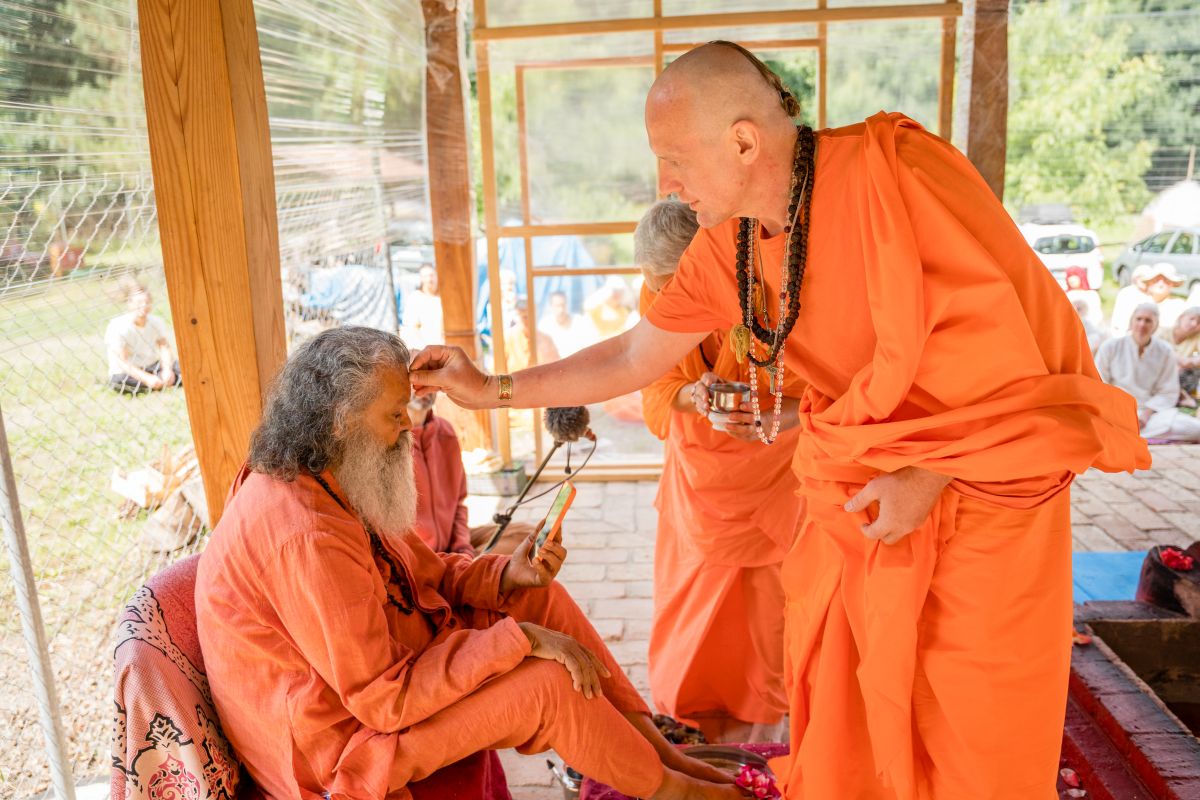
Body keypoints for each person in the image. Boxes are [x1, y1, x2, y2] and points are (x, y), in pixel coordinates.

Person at [411, 42, 1148, 799]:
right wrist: (489, 386)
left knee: (970, 735)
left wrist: (930, 471)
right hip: (867, 501)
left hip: (986, 494)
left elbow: (1031, 365)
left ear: (742, 140)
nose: (665, 183)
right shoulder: (727, 246)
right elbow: (635, 353)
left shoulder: (898, 177)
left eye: (673, 158)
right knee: (856, 706)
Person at [195, 327, 739, 800]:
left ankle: (661, 755)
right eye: (393, 415)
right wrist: (516, 642)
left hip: (388, 673)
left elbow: (425, 575)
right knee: (545, 684)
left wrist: (506, 575)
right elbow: (383, 699)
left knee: (535, 596)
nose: (409, 427)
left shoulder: (332, 472)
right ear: (339, 420)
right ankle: (675, 791)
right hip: (342, 749)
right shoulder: (305, 534)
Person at [636, 200, 804, 743]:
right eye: (654, 284)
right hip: (697, 485)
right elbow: (653, 385)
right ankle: (686, 716)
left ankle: (764, 731)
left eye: (669, 283)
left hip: (773, 474)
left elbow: (822, 390)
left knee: (763, 617)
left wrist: (771, 412)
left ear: (706, 266)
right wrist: (692, 394)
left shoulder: (772, 293)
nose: (661, 297)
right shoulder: (656, 294)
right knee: (687, 608)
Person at [408, 391, 534, 556]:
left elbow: (459, 503)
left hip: (452, 547)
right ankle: (469, 571)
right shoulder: (390, 441)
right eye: (414, 376)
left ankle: (466, 569)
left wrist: (462, 548)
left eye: (429, 373)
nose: (422, 388)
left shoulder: (445, 431)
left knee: (529, 537)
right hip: (418, 559)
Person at [1095, 304, 1200, 442]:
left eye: (1148, 320)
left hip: (1150, 414)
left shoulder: (1165, 351)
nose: (1142, 324)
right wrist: (1119, 412)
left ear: (1156, 325)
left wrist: (1145, 415)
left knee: (1195, 429)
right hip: (1114, 410)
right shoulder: (1110, 347)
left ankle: (1124, 435)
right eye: (1139, 319)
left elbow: (1168, 392)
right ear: (1131, 321)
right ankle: (1126, 434)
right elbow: (1098, 384)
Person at [105, 279, 181, 394]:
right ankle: (155, 384)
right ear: (129, 303)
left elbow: (164, 347)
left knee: (182, 367)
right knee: (119, 382)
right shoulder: (118, 326)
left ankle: (160, 382)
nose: (143, 306)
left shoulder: (156, 322)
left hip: (151, 366)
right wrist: (146, 378)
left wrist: (167, 370)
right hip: (128, 372)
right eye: (138, 303)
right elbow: (122, 362)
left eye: (147, 302)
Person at [1110, 261, 1187, 336]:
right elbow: (1119, 328)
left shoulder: (1178, 306)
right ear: (1149, 282)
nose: (1160, 284)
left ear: (1172, 284)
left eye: (1166, 281)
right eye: (1156, 280)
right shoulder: (1133, 299)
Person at [401, 262, 444, 348]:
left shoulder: (443, 298)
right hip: (422, 349)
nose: (429, 279)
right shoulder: (415, 298)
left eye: (432, 275)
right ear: (421, 279)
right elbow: (410, 328)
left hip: (442, 348)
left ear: (436, 276)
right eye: (425, 276)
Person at [541, 290, 593, 356]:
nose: (561, 309)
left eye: (563, 305)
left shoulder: (579, 321)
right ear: (551, 306)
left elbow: (589, 347)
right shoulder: (544, 326)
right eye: (557, 306)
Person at [1172, 306, 1200, 401]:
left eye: (1199, 322)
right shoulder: (1163, 331)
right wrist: (1182, 361)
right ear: (1181, 317)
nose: (1194, 324)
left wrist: (1191, 362)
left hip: (1178, 376)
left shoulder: (1196, 338)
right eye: (1191, 319)